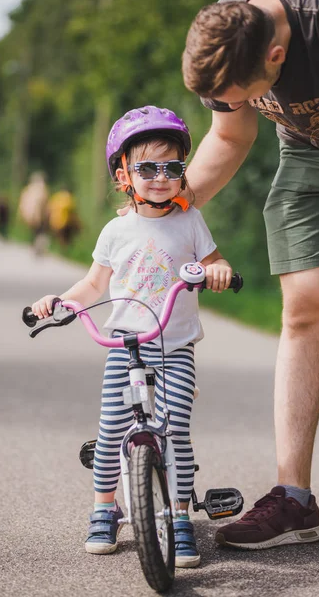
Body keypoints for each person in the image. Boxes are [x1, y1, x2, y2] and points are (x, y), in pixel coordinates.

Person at [181, 0, 319, 576]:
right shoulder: (227, 40)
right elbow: (231, 138)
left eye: (243, 94)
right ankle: (294, 501)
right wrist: (168, 207)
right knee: (304, 310)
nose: (235, 105)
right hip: (310, 156)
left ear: (278, 54)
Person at [31, 106, 232, 568]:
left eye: (172, 168)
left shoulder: (190, 222)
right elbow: (92, 285)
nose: (160, 177)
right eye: (147, 168)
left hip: (175, 347)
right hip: (125, 346)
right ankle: (105, 508)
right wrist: (61, 301)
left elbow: (216, 262)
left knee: (175, 430)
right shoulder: (115, 230)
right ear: (125, 175)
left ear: (183, 173)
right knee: (110, 431)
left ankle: (179, 518)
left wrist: (218, 272)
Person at [18, 171, 49, 255]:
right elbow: (45, 205)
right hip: (39, 216)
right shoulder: (42, 189)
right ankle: (39, 247)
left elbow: (22, 203)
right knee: (40, 232)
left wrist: (22, 215)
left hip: (29, 216)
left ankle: (35, 246)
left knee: (35, 231)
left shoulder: (27, 189)